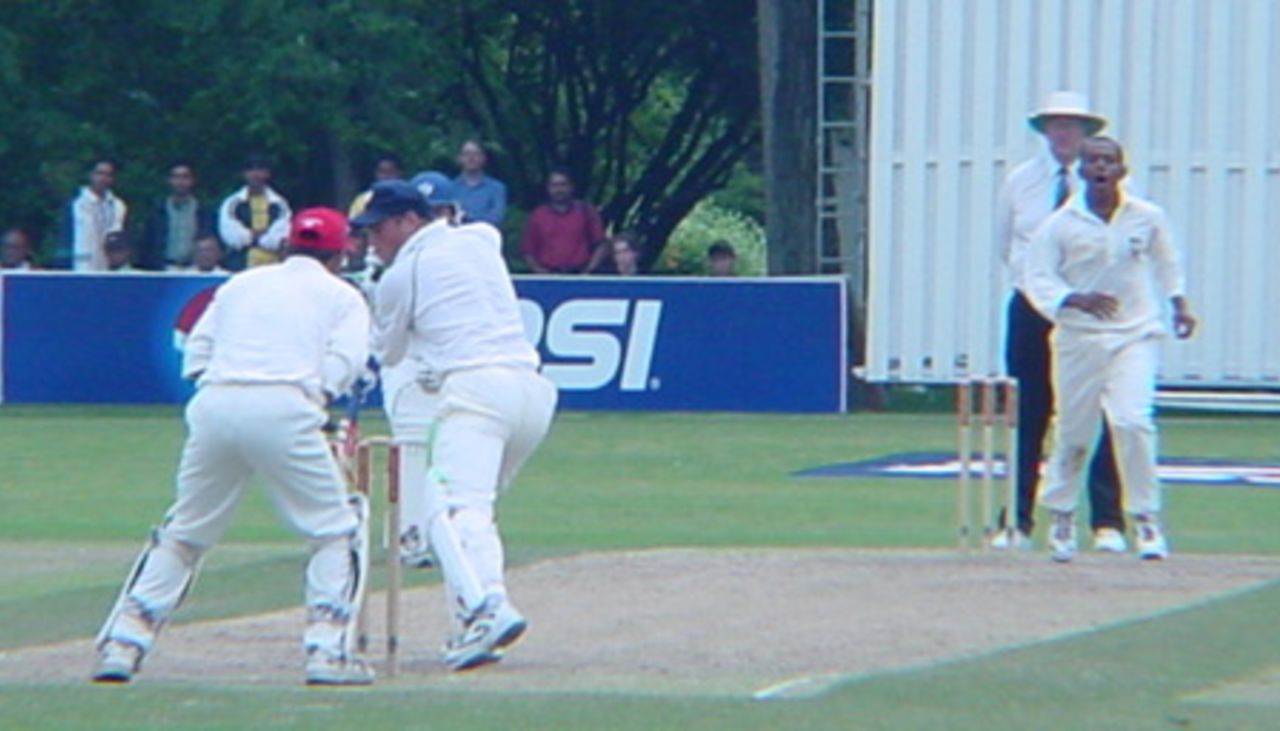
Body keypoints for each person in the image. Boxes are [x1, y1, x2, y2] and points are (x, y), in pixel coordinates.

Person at [92, 207, 375, 686]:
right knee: (334, 530)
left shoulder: (241, 284)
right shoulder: (343, 296)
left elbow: (197, 352)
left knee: (185, 531)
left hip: (216, 405)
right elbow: (343, 364)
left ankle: (123, 643)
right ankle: (327, 652)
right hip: (286, 406)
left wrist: (229, 392)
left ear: (288, 245)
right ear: (341, 253)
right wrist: (316, 406)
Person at [357, 179, 557, 672]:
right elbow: (474, 235)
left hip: (475, 394)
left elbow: (391, 353)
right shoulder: (480, 238)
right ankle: (471, 625)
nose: (371, 241)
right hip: (532, 395)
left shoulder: (402, 275)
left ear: (409, 220)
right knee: (472, 515)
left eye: (378, 228)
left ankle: (489, 606)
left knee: (442, 511)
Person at [1025, 136, 1195, 562]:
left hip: (1134, 332)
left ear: (1121, 170)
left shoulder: (1146, 216)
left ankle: (1145, 519)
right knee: (1074, 431)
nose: (1101, 169)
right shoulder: (1060, 225)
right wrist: (1072, 298)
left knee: (1132, 422)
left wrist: (1179, 303)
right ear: (1081, 171)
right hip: (1079, 337)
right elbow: (1037, 277)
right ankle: (1061, 515)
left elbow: (1167, 261)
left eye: (1109, 162)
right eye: (1093, 162)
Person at [993, 91, 1126, 552]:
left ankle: (1107, 522)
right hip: (1033, 308)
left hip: (1091, 313)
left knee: (1098, 410)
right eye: (1056, 125)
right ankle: (1017, 522)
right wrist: (1040, 292)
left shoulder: (1108, 187)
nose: (1064, 133)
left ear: (1088, 133)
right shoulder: (1021, 181)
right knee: (1029, 412)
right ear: (1045, 131)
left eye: (1073, 125)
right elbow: (1008, 244)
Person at [520, 168, 606, 274]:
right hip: (548, 275)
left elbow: (600, 245)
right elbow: (528, 251)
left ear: (571, 187)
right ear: (547, 188)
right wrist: (541, 273)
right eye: (554, 185)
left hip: (580, 274)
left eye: (563, 185)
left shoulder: (586, 212)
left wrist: (588, 271)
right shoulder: (537, 216)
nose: (558, 189)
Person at [218, 154, 291, 271]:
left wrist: (252, 236)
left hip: (272, 266)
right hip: (240, 265)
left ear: (267, 174)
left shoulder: (279, 203)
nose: (255, 174)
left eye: (260, 169)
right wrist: (261, 234)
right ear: (244, 174)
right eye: (250, 170)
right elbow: (233, 238)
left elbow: (278, 238)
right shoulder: (233, 203)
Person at [142, 162, 215, 271]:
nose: (180, 182)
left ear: (192, 181)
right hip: (165, 269)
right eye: (176, 177)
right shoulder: (158, 211)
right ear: (169, 180)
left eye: (185, 177)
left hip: (194, 269)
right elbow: (148, 243)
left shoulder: (203, 211)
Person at [64, 159, 128, 271]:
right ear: (91, 175)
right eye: (100, 173)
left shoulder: (118, 206)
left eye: (108, 175)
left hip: (110, 267)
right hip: (82, 266)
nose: (103, 179)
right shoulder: (76, 204)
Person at [453, 139, 507, 226]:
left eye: (476, 154)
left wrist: (466, 218)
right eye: (466, 154)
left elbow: (496, 218)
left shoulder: (497, 188)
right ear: (459, 158)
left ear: (483, 158)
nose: (471, 158)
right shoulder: (450, 188)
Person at [348, 153, 404, 219]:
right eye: (382, 172)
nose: (386, 176)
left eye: (391, 172)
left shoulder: (407, 198)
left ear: (399, 173)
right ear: (376, 174)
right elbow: (354, 221)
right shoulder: (363, 200)